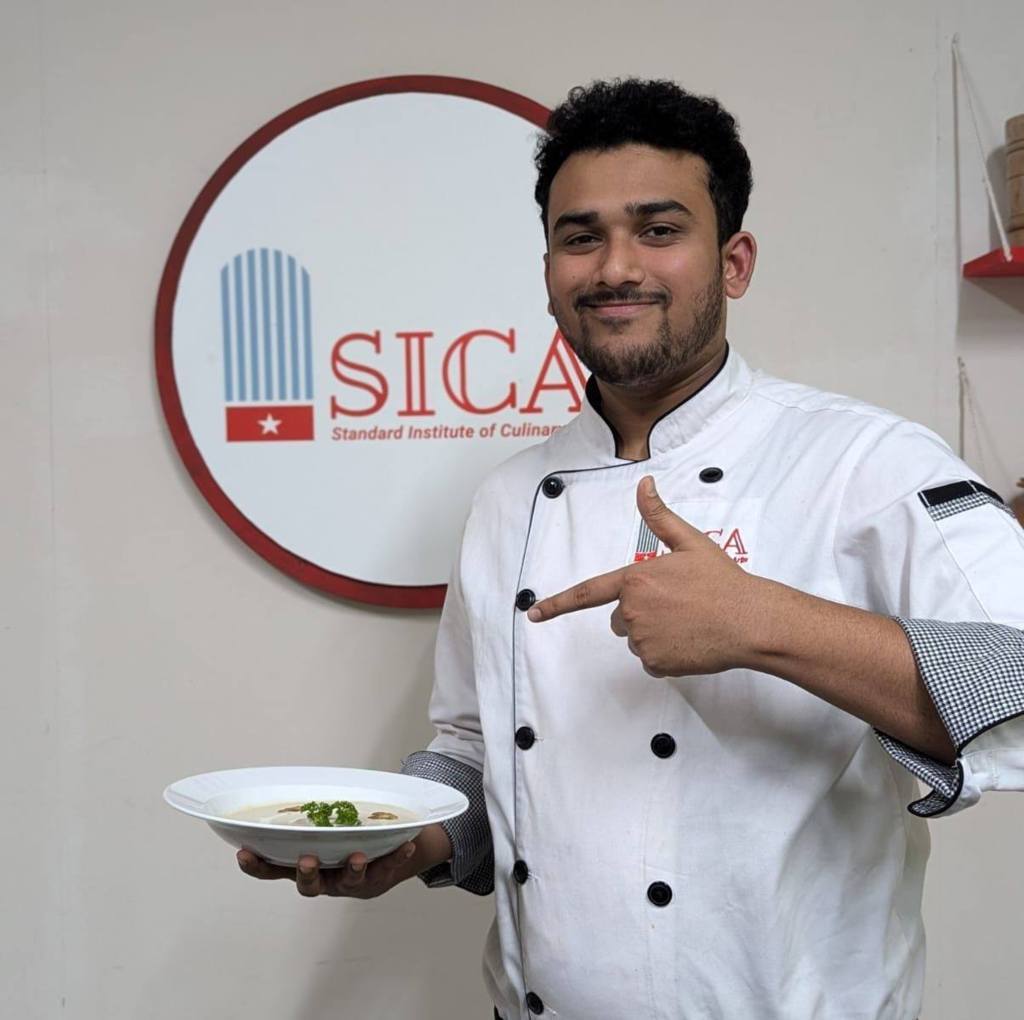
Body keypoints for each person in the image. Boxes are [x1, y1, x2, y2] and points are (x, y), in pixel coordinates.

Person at [239, 79, 1024, 1019]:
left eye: (659, 230)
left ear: (734, 262)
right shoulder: (507, 499)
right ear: (548, 272)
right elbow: (477, 749)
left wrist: (764, 622)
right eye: (581, 238)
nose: (616, 267)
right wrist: (408, 840)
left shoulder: (865, 460)